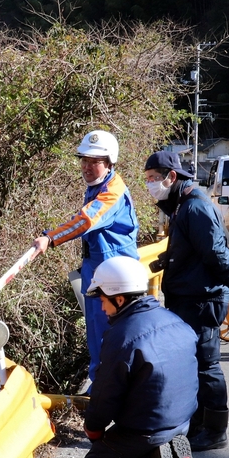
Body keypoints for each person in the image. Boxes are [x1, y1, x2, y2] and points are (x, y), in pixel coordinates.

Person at [79, 256, 200, 458]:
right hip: (183, 421)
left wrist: (94, 429)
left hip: (145, 429)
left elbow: (106, 393)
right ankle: (166, 450)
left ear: (120, 299)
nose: (102, 308)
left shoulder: (121, 337)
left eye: (104, 301)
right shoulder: (176, 321)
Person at [31, 130, 139, 391]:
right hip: (97, 268)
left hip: (115, 272)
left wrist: (50, 237)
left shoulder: (111, 192)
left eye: (95, 161)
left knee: (109, 332)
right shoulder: (96, 186)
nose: (88, 167)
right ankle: (98, 384)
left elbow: (86, 220)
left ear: (109, 162)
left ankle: (108, 389)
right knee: (95, 330)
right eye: (84, 160)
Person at [145, 151, 229, 452]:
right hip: (190, 296)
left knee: (207, 364)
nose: (150, 185)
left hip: (203, 298)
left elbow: (215, 252)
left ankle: (215, 431)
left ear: (172, 177)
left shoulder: (194, 206)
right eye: (147, 180)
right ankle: (199, 423)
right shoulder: (182, 205)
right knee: (195, 363)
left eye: (153, 179)